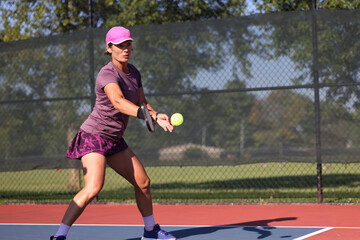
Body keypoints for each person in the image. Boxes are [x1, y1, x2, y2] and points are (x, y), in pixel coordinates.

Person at [50, 26, 176, 240]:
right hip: (94, 136)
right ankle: (60, 235)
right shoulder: (107, 73)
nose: (125, 49)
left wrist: (155, 115)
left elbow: (141, 102)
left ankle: (150, 231)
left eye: (128, 44)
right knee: (93, 187)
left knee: (143, 182)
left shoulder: (134, 72)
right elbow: (118, 102)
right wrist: (145, 115)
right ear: (109, 48)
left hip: (115, 140)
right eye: (120, 45)